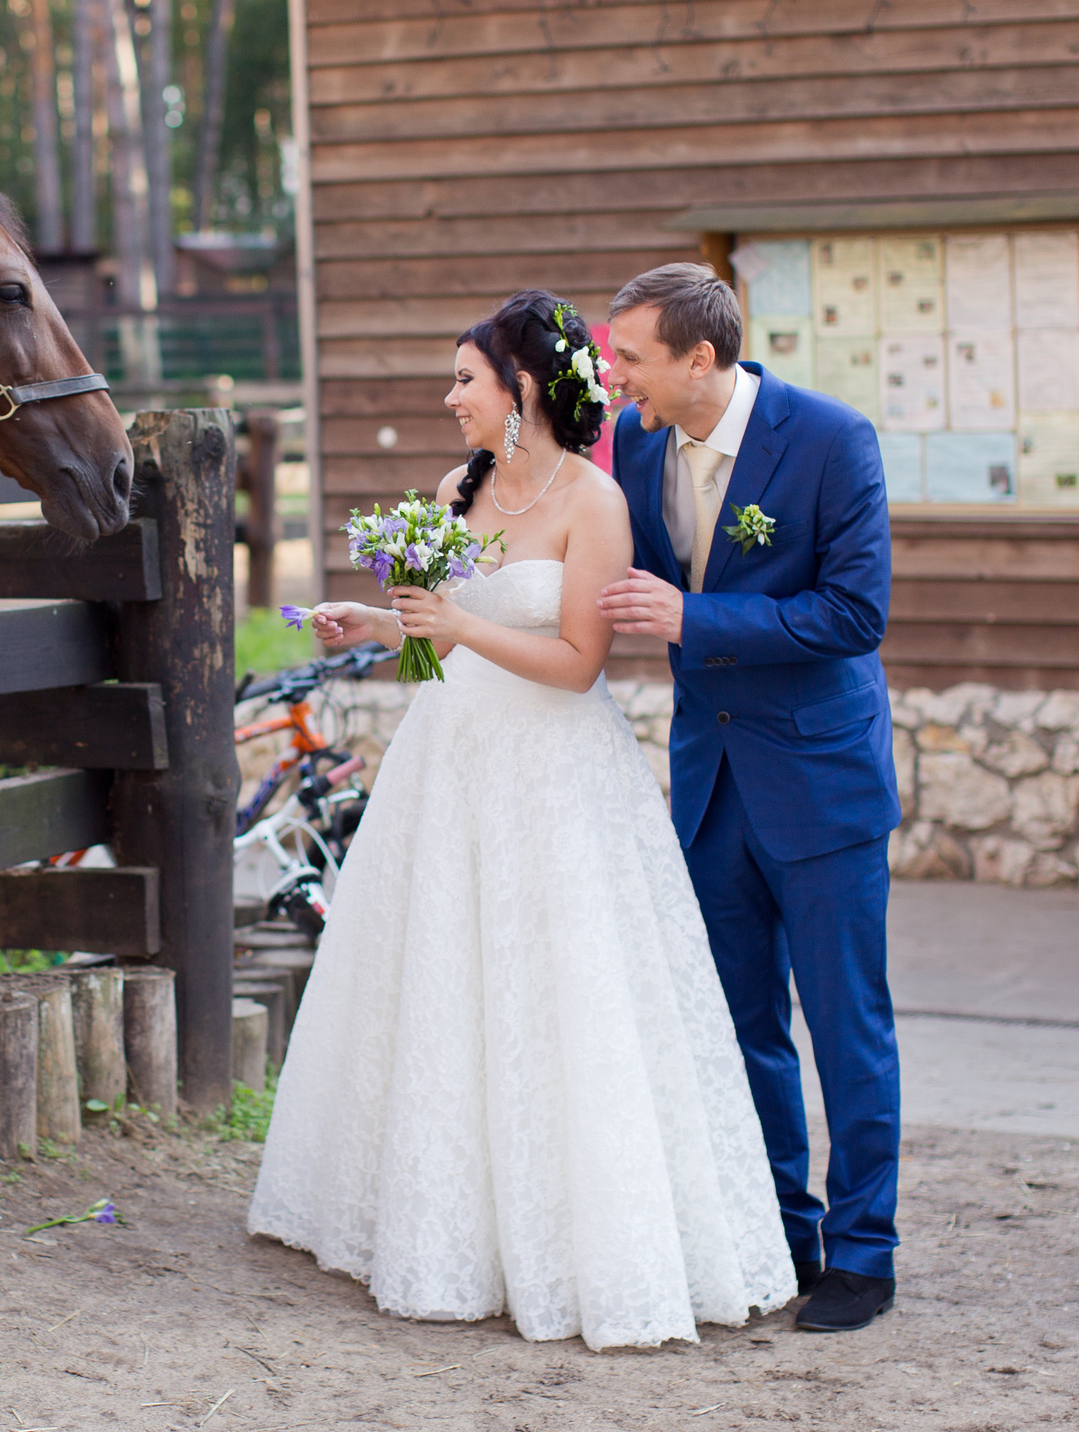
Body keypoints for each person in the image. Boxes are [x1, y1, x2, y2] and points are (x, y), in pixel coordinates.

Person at [248, 289, 797, 1351]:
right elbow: (436, 640)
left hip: (554, 773)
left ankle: (572, 1245)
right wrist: (374, 620)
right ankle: (443, 1226)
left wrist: (454, 619)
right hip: (450, 763)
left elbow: (579, 664)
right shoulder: (459, 488)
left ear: (523, 390)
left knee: (563, 1000)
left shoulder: (592, 503)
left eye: (465, 379)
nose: (449, 398)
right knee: (444, 987)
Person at [597, 263, 903, 1335]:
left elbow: (853, 614)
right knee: (740, 1026)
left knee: (845, 1023)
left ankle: (865, 1255)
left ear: (699, 358)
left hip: (821, 783)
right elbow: (616, 569)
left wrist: (699, 620)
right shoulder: (636, 441)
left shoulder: (830, 440)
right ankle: (780, 1228)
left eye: (628, 354)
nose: (612, 372)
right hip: (710, 783)